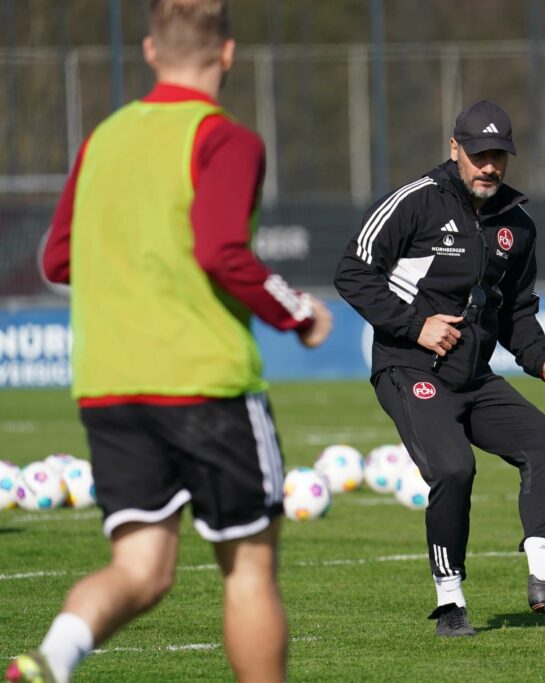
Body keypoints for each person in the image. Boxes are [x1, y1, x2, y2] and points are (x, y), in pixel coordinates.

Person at [5, 2, 333, 682]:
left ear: (151, 51)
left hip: (108, 386)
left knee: (141, 568)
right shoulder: (226, 139)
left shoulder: (105, 137)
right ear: (229, 53)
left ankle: (52, 659)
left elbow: (57, 259)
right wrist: (298, 311)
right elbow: (221, 250)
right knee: (247, 565)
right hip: (202, 381)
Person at [335, 100, 545, 636]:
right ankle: (450, 599)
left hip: (472, 377)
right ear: (455, 148)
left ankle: (544, 572)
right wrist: (415, 326)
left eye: (499, 155)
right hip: (406, 366)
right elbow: (352, 270)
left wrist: (541, 361)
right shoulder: (415, 202)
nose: (490, 166)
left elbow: (516, 311)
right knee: (455, 470)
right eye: (480, 154)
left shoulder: (518, 225)